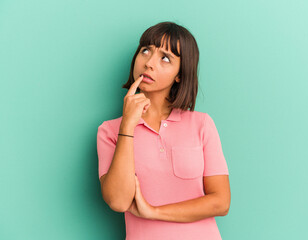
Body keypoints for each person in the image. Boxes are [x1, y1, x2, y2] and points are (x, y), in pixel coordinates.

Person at [97, 21, 231, 240]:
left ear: (180, 74)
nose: (149, 63)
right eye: (146, 51)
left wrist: (154, 212)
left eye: (165, 58)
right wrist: (128, 126)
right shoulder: (109, 131)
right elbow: (119, 201)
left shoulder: (202, 125)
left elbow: (221, 202)